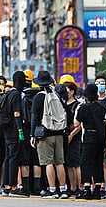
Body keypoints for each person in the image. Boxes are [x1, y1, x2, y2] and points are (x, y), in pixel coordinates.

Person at [30, 70, 68, 199]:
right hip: (59, 132)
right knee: (60, 162)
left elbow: (34, 117)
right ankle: (63, 189)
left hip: (45, 133)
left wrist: (32, 135)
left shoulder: (38, 97)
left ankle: (52, 190)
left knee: (48, 163)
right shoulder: (56, 95)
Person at [74, 83, 106, 200]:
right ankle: (97, 189)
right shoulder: (101, 108)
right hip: (100, 138)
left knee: (85, 162)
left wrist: (77, 110)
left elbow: (76, 123)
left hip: (89, 136)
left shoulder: (84, 107)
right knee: (98, 162)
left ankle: (87, 188)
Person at [0, 71, 27, 197]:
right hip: (14, 131)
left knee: (8, 158)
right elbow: (17, 113)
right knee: (13, 159)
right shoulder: (16, 94)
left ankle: (6, 187)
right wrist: (20, 130)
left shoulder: (9, 93)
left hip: (6, 131)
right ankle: (13, 187)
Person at [59, 74, 82, 197]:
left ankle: (81, 186)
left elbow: (79, 124)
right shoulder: (61, 104)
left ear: (72, 91)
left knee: (76, 164)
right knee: (68, 164)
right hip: (64, 136)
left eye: (66, 89)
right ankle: (72, 187)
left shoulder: (77, 105)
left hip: (74, 138)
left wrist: (71, 135)